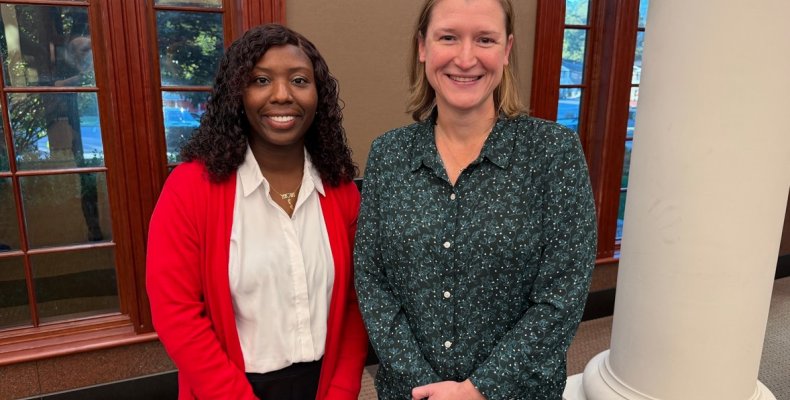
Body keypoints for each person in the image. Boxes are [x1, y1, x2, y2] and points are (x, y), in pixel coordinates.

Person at [354, 0, 597, 399]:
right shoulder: (389, 154)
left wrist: (479, 389)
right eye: (448, 37)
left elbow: (562, 294)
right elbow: (372, 279)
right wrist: (423, 385)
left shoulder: (553, 153)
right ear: (423, 47)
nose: (466, 59)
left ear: (506, 49)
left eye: (485, 39)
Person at [146, 24, 367, 400]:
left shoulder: (341, 190)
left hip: (323, 385)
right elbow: (176, 312)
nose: (282, 95)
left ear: (319, 95)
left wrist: (342, 391)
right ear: (238, 93)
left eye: (299, 80)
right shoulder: (190, 188)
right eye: (261, 80)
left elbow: (355, 303)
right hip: (227, 390)